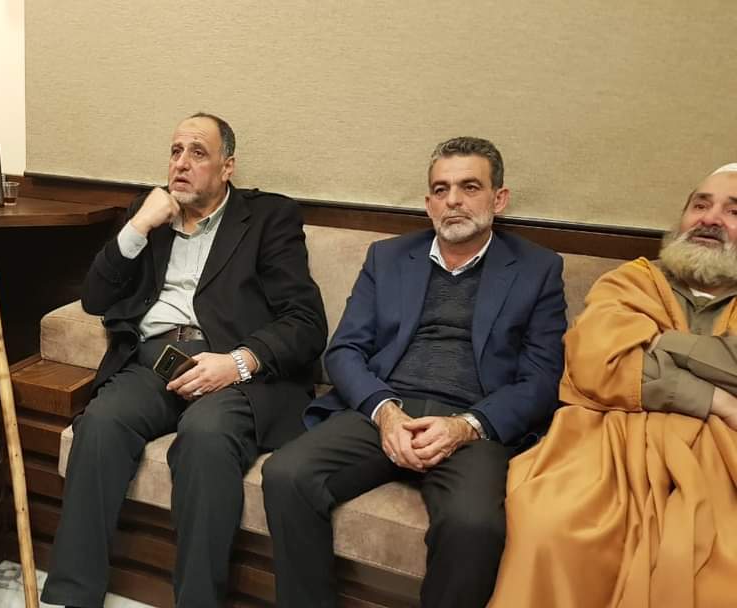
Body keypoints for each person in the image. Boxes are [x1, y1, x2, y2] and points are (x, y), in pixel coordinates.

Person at [261, 137, 568, 608]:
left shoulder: (538, 269)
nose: (454, 201)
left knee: (474, 524)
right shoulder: (387, 258)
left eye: (470, 187)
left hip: (474, 422)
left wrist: (465, 426)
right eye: (441, 190)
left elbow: (542, 379)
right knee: (287, 474)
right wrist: (385, 413)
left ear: (499, 198)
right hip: (385, 407)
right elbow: (345, 350)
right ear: (428, 204)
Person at [41, 113, 327, 607]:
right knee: (101, 423)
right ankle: (73, 597)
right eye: (176, 151)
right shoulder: (150, 214)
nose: (181, 163)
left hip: (231, 370)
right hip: (155, 361)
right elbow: (95, 298)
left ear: (227, 166)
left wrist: (237, 362)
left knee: (205, 436)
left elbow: (305, 322)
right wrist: (138, 225)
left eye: (197, 153)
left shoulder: (269, 218)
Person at [490, 164, 737, 608]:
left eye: (733, 211)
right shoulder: (632, 280)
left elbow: (628, 364)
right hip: (610, 445)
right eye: (700, 205)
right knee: (548, 523)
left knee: (711, 567)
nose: (710, 219)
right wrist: (715, 397)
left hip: (720, 461)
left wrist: (662, 342)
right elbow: (595, 363)